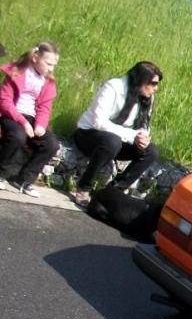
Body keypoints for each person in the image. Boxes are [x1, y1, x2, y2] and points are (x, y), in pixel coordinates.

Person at [73, 61, 163, 206]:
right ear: (140, 80)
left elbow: (143, 123)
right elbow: (99, 122)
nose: (155, 88)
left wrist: (143, 137)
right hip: (89, 135)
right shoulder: (113, 87)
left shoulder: (147, 97)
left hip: (119, 140)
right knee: (112, 142)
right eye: (152, 83)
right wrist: (132, 136)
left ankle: (113, 191)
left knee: (151, 151)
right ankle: (84, 187)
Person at [0, 41, 61, 197]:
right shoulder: (17, 72)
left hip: (31, 117)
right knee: (17, 136)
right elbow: (5, 101)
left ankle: (25, 179)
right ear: (35, 58)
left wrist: (40, 124)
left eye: (53, 65)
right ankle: (1, 173)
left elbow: (44, 107)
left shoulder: (47, 82)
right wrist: (23, 122)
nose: (51, 69)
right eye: (48, 64)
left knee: (51, 144)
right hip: (11, 114)